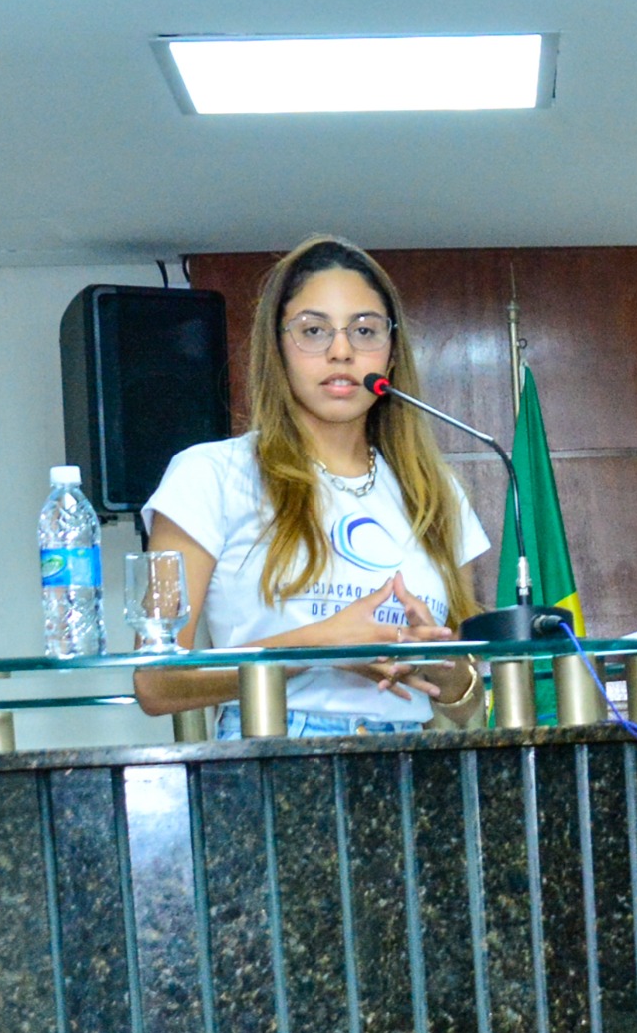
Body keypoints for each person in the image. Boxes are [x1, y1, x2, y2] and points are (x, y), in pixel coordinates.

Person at [132, 233, 492, 735]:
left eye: (364, 331)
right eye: (314, 330)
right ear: (278, 350)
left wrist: (442, 670)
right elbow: (155, 683)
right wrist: (320, 645)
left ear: (390, 355)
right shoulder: (208, 475)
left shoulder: (437, 492)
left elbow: (467, 702)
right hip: (272, 748)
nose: (341, 351)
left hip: (414, 755)